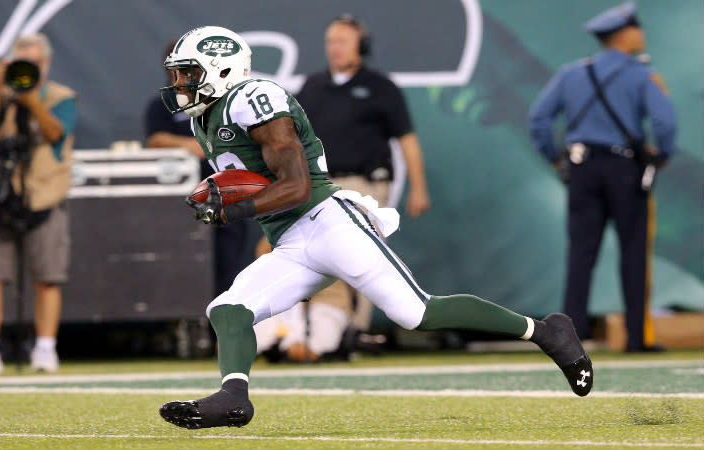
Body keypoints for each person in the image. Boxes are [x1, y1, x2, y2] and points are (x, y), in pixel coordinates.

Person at [157, 25, 593, 429]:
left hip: (328, 223)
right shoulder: (205, 117)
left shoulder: (254, 98)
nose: (181, 84)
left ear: (222, 68)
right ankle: (234, 398)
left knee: (416, 313)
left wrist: (231, 210)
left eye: (188, 73)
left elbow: (296, 186)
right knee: (229, 309)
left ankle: (546, 331)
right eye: (178, 75)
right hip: (289, 241)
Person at [252, 14, 432, 362]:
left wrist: (418, 187)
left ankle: (356, 331)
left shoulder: (380, 86)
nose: (335, 49)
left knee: (360, 255)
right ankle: (295, 329)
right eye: (331, 42)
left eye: (343, 41)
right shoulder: (313, 86)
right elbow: (291, 139)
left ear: (360, 46)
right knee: (295, 249)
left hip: (364, 184)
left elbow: (407, 140)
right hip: (318, 182)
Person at [527, 2, 676, 353]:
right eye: (637, 28)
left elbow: (539, 121)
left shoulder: (571, 73)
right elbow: (665, 124)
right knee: (634, 254)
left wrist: (554, 159)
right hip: (625, 170)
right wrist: (662, 156)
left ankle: (567, 341)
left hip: (581, 169)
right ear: (625, 34)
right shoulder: (641, 75)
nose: (641, 34)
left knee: (580, 255)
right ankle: (636, 340)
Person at [0, 33, 77, 374]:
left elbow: (55, 133)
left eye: (33, 63)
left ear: (46, 64)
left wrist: (31, 99)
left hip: (44, 193)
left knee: (47, 276)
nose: (27, 69)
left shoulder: (61, 97)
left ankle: (46, 349)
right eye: (21, 63)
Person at [144, 39, 250, 297]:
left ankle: (223, 330)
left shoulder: (221, 99)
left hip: (227, 196)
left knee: (228, 266)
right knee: (183, 266)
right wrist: (192, 144)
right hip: (182, 202)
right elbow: (155, 140)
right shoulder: (163, 104)